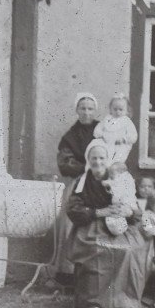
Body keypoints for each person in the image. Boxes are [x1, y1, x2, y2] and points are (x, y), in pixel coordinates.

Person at [66, 141, 152, 308]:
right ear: (88, 160)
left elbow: (134, 209)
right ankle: (93, 303)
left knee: (129, 250)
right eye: (94, 158)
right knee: (97, 250)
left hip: (120, 225)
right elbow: (73, 210)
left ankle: (123, 302)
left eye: (102, 158)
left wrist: (127, 210)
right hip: (92, 225)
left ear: (108, 159)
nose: (98, 162)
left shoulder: (118, 178)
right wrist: (99, 212)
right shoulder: (81, 183)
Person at [49, 92, 101, 287]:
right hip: (79, 182)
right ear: (77, 110)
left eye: (90, 109)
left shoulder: (102, 130)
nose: (86, 112)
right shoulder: (70, 136)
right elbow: (65, 164)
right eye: (82, 108)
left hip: (99, 180)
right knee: (71, 224)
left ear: (95, 110)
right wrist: (85, 168)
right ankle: (68, 274)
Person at [92, 90, 138, 164]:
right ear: (111, 109)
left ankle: (115, 167)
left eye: (121, 109)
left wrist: (124, 139)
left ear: (127, 111)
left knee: (118, 159)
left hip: (120, 145)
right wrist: (101, 135)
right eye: (115, 109)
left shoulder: (127, 121)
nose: (118, 112)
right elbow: (97, 129)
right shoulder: (107, 119)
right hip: (106, 143)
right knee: (102, 155)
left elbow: (133, 136)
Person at [101, 160, 138, 236]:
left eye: (112, 173)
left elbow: (115, 184)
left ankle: (118, 228)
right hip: (124, 204)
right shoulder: (124, 178)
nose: (110, 175)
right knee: (117, 216)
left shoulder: (123, 178)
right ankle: (117, 228)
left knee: (120, 214)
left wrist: (106, 183)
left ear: (121, 172)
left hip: (126, 203)